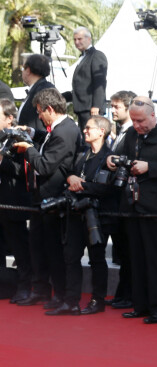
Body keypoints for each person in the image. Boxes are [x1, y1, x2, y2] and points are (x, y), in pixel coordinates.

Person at [106, 96, 157, 324]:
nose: (137, 125)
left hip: (156, 205)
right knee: (135, 257)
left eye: (140, 120)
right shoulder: (131, 134)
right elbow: (117, 156)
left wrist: (149, 167)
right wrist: (112, 159)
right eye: (133, 120)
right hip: (131, 203)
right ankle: (139, 304)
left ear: (153, 115)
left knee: (156, 259)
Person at [15, 88, 82, 308]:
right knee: (38, 246)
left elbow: (45, 165)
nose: (39, 117)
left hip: (53, 199)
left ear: (50, 109)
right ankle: (42, 289)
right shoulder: (59, 129)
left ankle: (59, 294)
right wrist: (32, 134)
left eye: (40, 112)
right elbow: (49, 141)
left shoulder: (65, 131)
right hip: (41, 198)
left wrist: (28, 148)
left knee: (53, 250)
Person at [45, 116, 115, 315]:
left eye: (88, 128)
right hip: (75, 214)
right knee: (71, 257)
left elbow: (108, 188)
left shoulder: (109, 157)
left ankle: (97, 301)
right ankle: (71, 301)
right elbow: (67, 172)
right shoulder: (81, 154)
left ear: (101, 131)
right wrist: (71, 178)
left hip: (97, 217)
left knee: (97, 259)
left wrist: (81, 185)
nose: (84, 131)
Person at [106, 90, 136, 310]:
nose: (112, 110)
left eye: (116, 106)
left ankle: (128, 293)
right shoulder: (119, 132)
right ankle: (123, 293)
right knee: (122, 250)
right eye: (112, 106)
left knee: (128, 250)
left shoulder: (133, 132)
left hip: (128, 199)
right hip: (116, 199)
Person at [0, 98, 32, 303]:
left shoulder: (19, 138)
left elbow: (23, 171)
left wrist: (2, 161)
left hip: (13, 201)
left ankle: (25, 286)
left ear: (9, 118)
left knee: (20, 247)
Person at [64, 27, 108, 130]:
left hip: (90, 108)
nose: (76, 42)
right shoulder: (83, 57)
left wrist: (96, 105)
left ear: (89, 39)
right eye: (75, 39)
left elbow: (100, 81)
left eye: (79, 39)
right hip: (81, 107)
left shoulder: (97, 55)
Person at [17, 54, 54, 131]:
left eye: (23, 68)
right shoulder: (37, 88)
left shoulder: (43, 90)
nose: (22, 71)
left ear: (28, 70)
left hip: (37, 140)